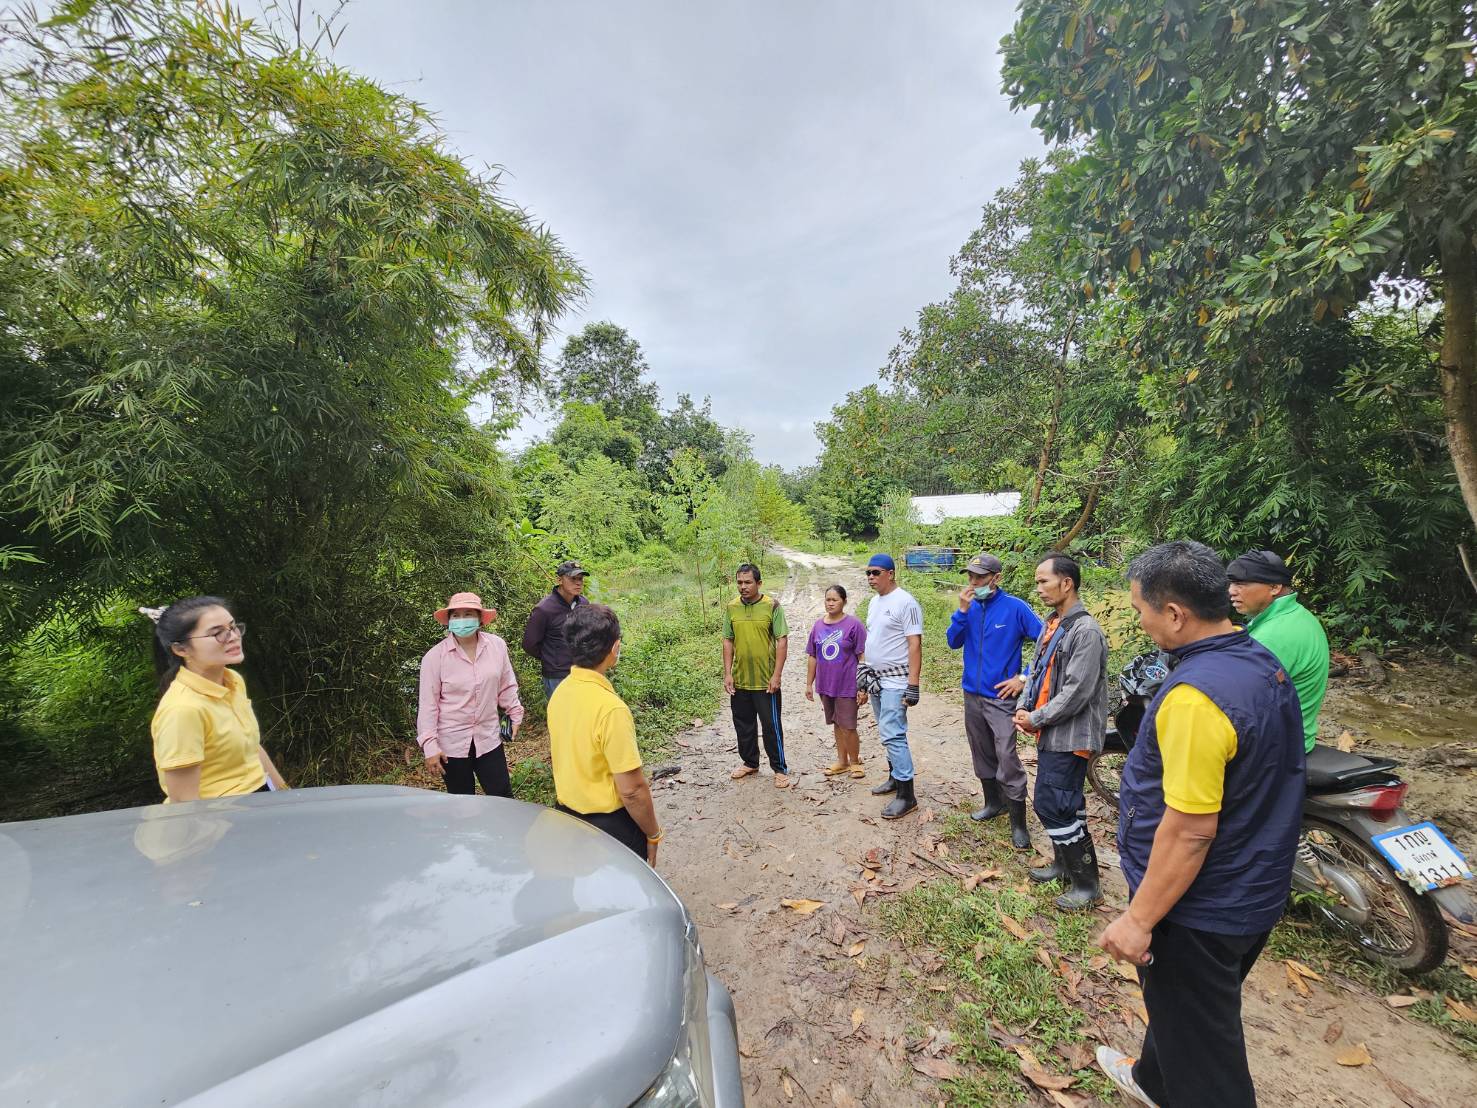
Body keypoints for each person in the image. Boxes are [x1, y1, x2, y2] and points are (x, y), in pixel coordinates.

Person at [1097, 541, 1304, 1108]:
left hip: (1199, 908)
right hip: (1254, 885)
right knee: (1184, 1010)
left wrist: (1139, 920)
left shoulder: (1196, 698)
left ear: (1174, 613)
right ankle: (1152, 1079)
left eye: (1141, 609)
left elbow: (1190, 829)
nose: (1139, 622)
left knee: (1208, 1062)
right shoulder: (1260, 662)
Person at [1013, 553, 1108, 910]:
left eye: (1043, 581)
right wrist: (1024, 706)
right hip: (1052, 730)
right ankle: (1064, 865)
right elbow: (1035, 671)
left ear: (1066, 583)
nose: (1038, 589)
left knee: (1053, 804)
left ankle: (1087, 883)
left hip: (1073, 735)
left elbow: (1077, 692)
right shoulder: (1053, 623)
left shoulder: (1087, 632)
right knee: (1067, 802)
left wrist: (1035, 718)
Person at [548, 603, 663, 864]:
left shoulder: (561, 692)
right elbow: (632, 790)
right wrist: (653, 833)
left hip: (567, 818)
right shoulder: (610, 709)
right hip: (610, 828)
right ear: (614, 647)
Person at [144, 596, 288, 803]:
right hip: (221, 818)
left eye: (233, 627)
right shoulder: (183, 709)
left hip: (260, 801)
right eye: (217, 633)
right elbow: (185, 803)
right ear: (181, 649)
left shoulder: (233, 681)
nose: (233, 637)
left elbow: (252, 747)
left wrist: (287, 795)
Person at [946, 552, 1043, 848]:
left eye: (980, 577)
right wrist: (962, 611)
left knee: (1007, 756)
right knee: (981, 750)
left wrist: (1023, 678)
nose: (974, 583)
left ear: (996, 578)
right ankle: (993, 803)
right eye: (970, 577)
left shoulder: (1015, 608)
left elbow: (1046, 644)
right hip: (971, 694)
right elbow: (952, 641)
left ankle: (1019, 823)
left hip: (1001, 699)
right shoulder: (970, 607)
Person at [417, 591, 523, 798]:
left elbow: (506, 684)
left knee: (501, 795)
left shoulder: (496, 646)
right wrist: (430, 745)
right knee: (461, 803)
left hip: (488, 737)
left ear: (480, 618)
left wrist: (515, 712)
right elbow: (428, 705)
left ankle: (503, 831)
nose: (462, 620)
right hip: (452, 745)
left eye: (468, 614)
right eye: (456, 615)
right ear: (448, 621)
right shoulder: (434, 658)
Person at [1227, 549, 1329, 754]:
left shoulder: (1274, 635)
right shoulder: (1293, 615)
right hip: (1290, 732)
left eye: (1241, 584)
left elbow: (1236, 700)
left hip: (1279, 745)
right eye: (1231, 583)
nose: (1231, 590)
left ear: (1274, 587)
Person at [859, 554, 923, 819]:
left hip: (896, 679)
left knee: (893, 733)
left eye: (876, 572)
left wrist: (913, 685)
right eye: (868, 573)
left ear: (891, 573)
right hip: (876, 678)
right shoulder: (875, 602)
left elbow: (914, 643)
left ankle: (907, 796)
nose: (871, 578)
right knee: (886, 731)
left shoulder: (905, 602)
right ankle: (895, 777)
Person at [724, 562, 792, 788]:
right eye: (739, 582)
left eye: (748, 582)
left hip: (766, 682)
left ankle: (780, 768)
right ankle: (750, 762)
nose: (743, 587)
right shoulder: (731, 607)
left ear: (759, 583)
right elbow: (728, 640)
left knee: (771, 726)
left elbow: (782, 639)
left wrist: (777, 675)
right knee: (743, 725)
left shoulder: (772, 606)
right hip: (741, 679)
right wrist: (727, 673)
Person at [805, 584, 867, 779]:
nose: (830, 603)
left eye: (834, 600)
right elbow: (813, 656)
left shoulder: (854, 625)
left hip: (847, 684)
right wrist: (809, 683)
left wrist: (863, 686)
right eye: (827, 600)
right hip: (826, 684)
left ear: (844, 601)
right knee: (837, 724)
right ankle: (842, 761)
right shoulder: (818, 625)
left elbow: (862, 656)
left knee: (848, 725)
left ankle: (855, 762)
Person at [521, 559, 590, 699]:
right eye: (573, 578)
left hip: (581, 670)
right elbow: (529, 644)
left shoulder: (583, 603)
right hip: (557, 676)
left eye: (580, 579)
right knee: (561, 716)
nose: (578, 583)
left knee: (580, 716)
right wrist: (552, 658)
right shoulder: (544, 609)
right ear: (559, 580)